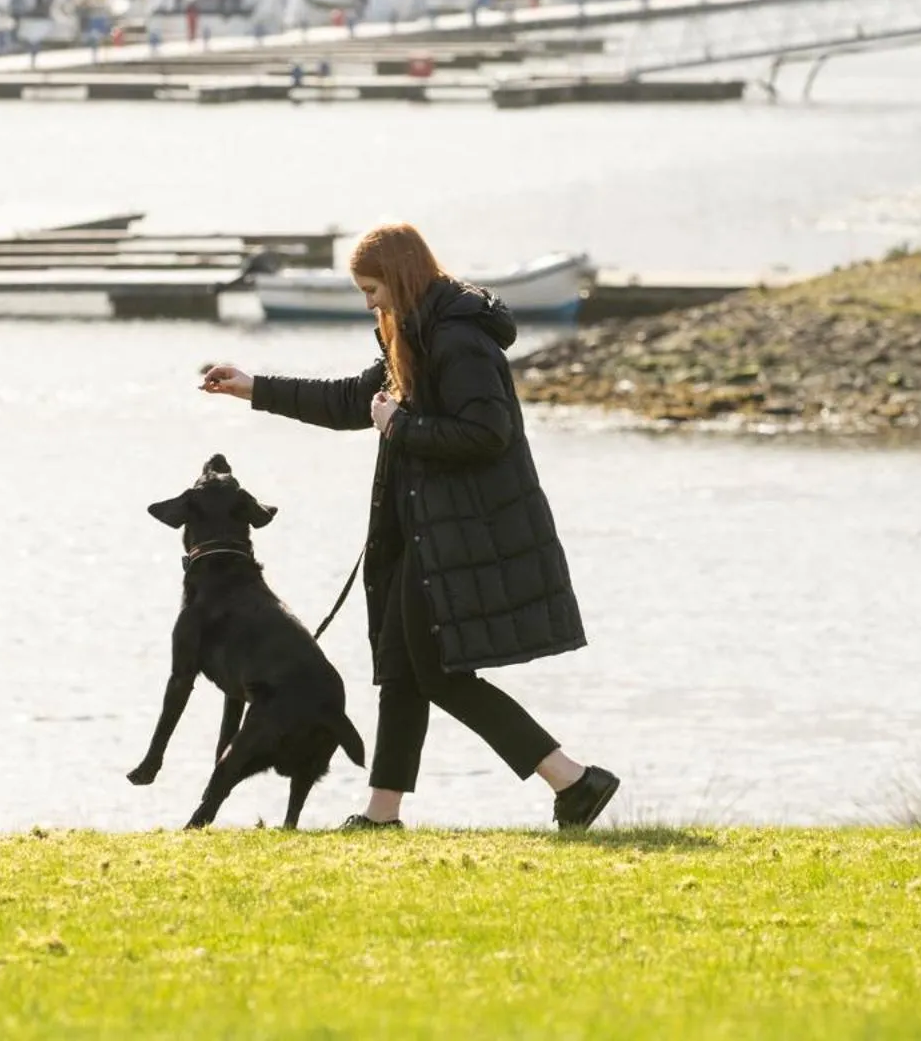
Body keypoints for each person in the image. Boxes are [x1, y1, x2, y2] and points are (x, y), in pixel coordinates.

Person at [200, 223, 618, 831]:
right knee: (399, 670)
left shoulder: (457, 340)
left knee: (440, 677)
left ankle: (573, 779)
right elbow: (352, 402)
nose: (370, 302)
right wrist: (253, 388)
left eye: (373, 289)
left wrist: (402, 426)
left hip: (454, 539)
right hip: (416, 534)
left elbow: (487, 434)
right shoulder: (411, 334)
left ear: (399, 277)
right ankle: (381, 813)